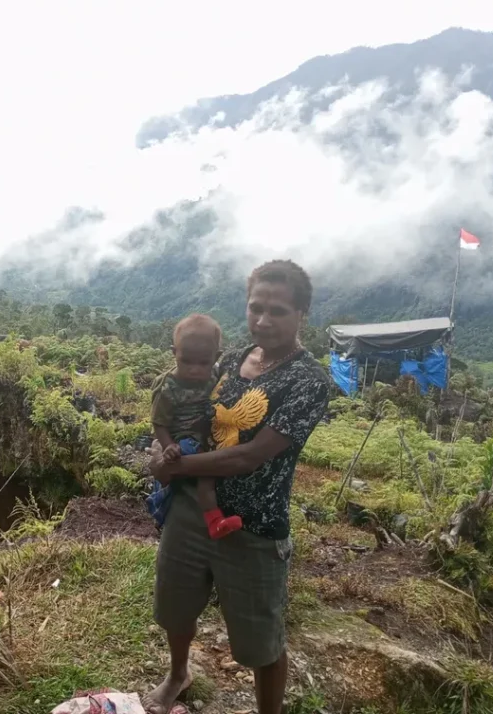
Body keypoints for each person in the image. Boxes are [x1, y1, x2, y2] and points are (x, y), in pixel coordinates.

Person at [143, 260, 330, 714]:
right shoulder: (228, 360)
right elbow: (192, 417)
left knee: (259, 641)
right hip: (191, 510)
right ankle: (178, 673)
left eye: (279, 311)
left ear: (302, 313)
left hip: (253, 525)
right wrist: (163, 449)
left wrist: (177, 466)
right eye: (256, 307)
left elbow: (251, 456)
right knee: (176, 606)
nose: (264, 319)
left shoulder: (309, 382)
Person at [149, 314, 241, 538]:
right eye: (186, 361)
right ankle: (158, 507)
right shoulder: (168, 387)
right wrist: (168, 445)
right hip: (183, 440)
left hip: (208, 438)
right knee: (194, 471)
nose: (194, 370)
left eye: (203, 363)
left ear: (215, 358)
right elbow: (159, 422)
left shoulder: (215, 375)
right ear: (174, 353)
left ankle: (214, 522)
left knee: (208, 477)